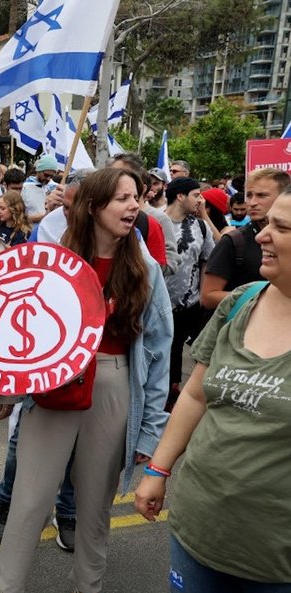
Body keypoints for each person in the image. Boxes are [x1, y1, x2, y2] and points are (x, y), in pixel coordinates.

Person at [0, 167, 173, 593]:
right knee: (28, 503)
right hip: (54, 388)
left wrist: (150, 431)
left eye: (137, 198)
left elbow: (160, 352)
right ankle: (7, 586)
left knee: (94, 510)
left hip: (114, 385)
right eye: (122, 199)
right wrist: (11, 386)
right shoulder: (55, 258)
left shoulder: (145, 267)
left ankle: (87, 587)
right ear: (93, 207)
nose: (134, 206)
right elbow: (22, 329)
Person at [134, 191, 291, 592]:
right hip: (198, 532)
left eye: (282, 227)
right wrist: (157, 469)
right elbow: (195, 395)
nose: (260, 236)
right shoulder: (239, 302)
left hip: (274, 559)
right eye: (267, 223)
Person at [201, 168, 291, 309]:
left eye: (261, 195)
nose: (252, 202)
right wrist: (261, 299)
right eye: (249, 195)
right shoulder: (233, 241)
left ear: (283, 197)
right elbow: (208, 297)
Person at [163, 178, 214, 409]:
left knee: (204, 352)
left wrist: (204, 293)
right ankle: (170, 400)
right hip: (162, 306)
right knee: (169, 356)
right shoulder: (154, 221)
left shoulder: (200, 226)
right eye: (196, 195)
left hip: (193, 304)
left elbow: (208, 260)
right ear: (180, 196)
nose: (200, 200)